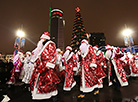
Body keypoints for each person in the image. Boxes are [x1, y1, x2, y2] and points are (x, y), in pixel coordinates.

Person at [30, 32, 60, 100]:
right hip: (40, 66)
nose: (41, 40)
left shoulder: (51, 44)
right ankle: (38, 94)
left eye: (42, 38)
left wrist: (49, 65)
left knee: (47, 80)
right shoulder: (42, 46)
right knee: (39, 80)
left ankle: (48, 94)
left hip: (47, 66)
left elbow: (53, 55)